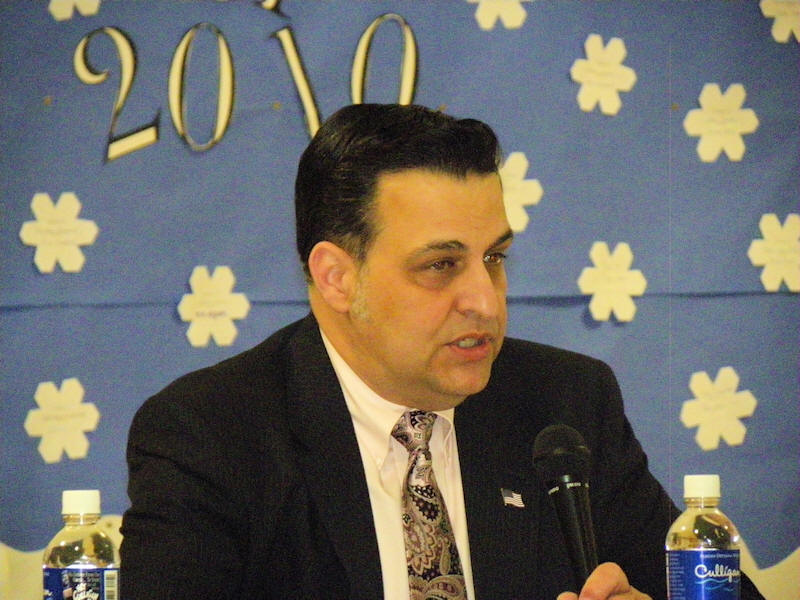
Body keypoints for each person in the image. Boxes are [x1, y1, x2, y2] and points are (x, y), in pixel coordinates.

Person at [120, 103, 764, 600]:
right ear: (336, 277)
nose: (485, 300)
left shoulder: (565, 406)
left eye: (495, 258)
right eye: (440, 265)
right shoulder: (212, 432)